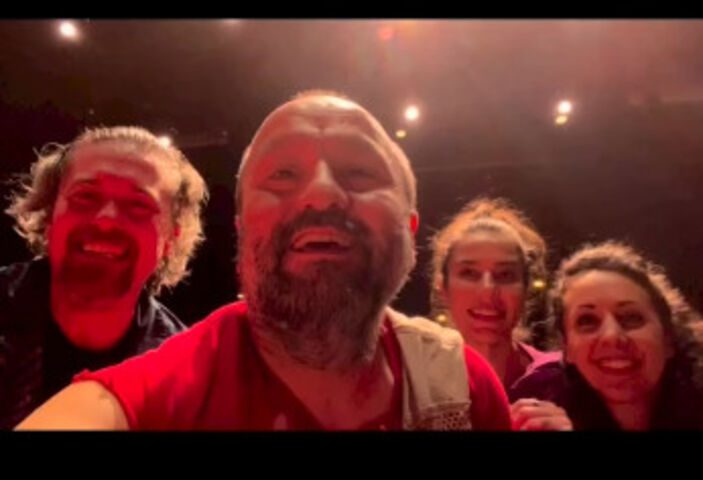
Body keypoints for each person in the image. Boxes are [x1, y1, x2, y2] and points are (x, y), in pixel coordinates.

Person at [18, 91, 511, 431]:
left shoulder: (464, 388)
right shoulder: (168, 387)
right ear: (242, 229)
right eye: (282, 174)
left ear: (409, 228)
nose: (321, 193)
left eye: (360, 172)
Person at [0, 126, 208, 429]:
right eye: (86, 196)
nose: (106, 220)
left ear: (170, 239)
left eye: (138, 205)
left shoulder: (184, 378)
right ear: (49, 215)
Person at [511, 241, 703, 430]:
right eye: (587, 321)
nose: (611, 336)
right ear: (567, 350)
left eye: (631, 318)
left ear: (668, 339)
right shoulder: (538, 403)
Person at [430, 197, 560, 394]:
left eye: (505, 274)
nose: (488, 291)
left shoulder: (559, 380)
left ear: (526, 289)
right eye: (469, 273)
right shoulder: (415, 383)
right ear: (443, 288)